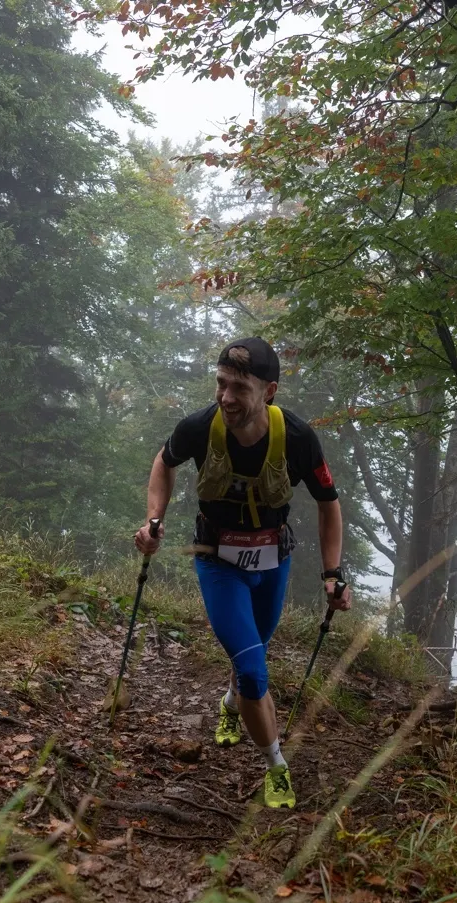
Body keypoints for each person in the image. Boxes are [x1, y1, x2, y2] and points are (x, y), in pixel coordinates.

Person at [135, 337, 352, 809]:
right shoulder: (198, 427)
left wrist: (332, 572)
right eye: (221, 384)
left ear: (269, 391)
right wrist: (154, 519)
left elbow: (328, 503)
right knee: (254, 671)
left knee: (251, 655)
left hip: (273, 563)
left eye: (239, 388)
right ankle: (276, 766)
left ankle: (230, 706)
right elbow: (164, 462)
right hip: (218, 563)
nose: (226, 397)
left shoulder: (297, 438)